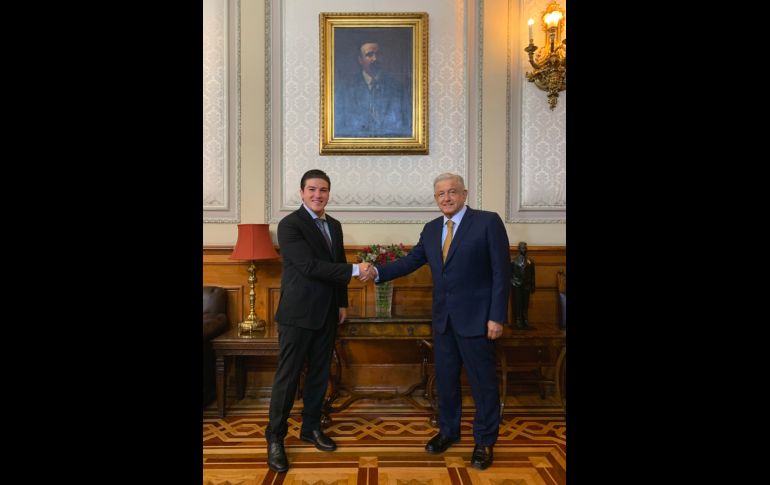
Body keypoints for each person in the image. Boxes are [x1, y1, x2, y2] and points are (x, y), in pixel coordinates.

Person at [360, 173, 510, 470]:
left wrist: (496, 316)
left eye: (452, 192)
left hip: (478, 320)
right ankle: (449, 432)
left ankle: (484, 441)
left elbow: (500, 273)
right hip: (443, 321)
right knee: (446, 381)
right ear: (435, 198)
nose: (447, 198)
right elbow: (411, 261)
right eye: (440, 194)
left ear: (465, 194)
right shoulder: (431, 230)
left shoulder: (487, 222)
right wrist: (377, 272)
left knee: (483, 384)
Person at [265, 169, 372, 473]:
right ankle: (275, 437)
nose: (317, 195)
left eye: (323, 190)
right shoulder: (289, 225)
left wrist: (341, 303)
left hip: (327, 313)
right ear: (301, 193)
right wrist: (356, 270)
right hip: (297, 316)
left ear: (328, 193)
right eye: (312, 189)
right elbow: (310, 266)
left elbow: (335, 262)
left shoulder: (334, 225)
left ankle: (311, 427)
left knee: (318, 375)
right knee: (287, 380)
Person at [334, 41, 411, 137]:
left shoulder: (397, 88)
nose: (375, 59)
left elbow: (406, 125)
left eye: (378, 54)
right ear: (360, 60)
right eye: (369, 55)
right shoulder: (346, 89)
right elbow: (340, 127)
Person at [510, 241, 536, 329]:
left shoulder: (530, 261)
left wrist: (533, 285)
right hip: (516, 285)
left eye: (525, 247)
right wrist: (513, 282)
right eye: (522, 247)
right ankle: (518, 320)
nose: (524, 249)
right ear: (518, 249)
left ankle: (525, 320)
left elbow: (533, 275)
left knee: (525, 303)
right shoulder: (513, 261)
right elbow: (509, 274)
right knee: (518, 303)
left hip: (526, 285)